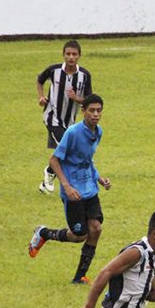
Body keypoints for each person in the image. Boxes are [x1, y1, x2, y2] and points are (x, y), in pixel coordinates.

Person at [28, 93, 110, 284]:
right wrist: (66, 185)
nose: (96, 114)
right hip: (73, 193)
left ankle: (79, 276)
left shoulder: (98, 132)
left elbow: (87, 160)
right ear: (83, 111)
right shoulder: (73, 133)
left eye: (99, 110)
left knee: (96, 229)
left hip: (90, 189)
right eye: (92, 110)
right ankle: (44, 233)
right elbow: (54, 160)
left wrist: (100, 179)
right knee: (79, 235)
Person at [36, 39, 92, 194]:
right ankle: (53, 175)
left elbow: (89, 99)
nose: (71, 57)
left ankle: (48, 176)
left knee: (68, 151)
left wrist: (77, 98)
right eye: (68, 54)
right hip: (52, 117)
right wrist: (41, 97)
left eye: (74, 54)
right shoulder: (54, 71)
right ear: (63, 55)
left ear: (79, 56)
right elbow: (40, 80)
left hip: (70, 122)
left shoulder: (84, 75)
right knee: (67, 149)